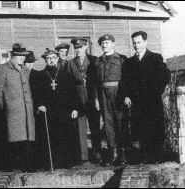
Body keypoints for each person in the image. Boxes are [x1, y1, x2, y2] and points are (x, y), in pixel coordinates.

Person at [122, 31, 171, 164]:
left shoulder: (155, 58)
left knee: (155, 127)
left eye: (139, 42)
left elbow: (165, 76)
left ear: (145, 42)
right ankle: (144, 156)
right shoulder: (129, 62)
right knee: (140, 127)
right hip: (137, 102)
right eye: (134, 43)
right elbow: (125, 81)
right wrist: (126, 95)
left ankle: (156, 157)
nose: (136, 45)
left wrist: (156, 91)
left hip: (152, 100)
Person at [30, 48, 81, 169]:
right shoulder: (40, 75)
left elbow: (74, 93)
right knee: (50, 137)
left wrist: (75, 108)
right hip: (49, 112)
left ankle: (66, 162)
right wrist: (39, 104)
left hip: (64, 111)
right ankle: (51, 163)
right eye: (48, 58)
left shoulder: (66, 74)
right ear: (45, 60)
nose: (51, 60)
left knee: (64, 136)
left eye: (53, 58)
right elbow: (36, 94)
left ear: (57, 58)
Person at [0, 43, 35, 171]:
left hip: (27, 111)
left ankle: (26, 166)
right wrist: (5, 106)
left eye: (24, 56)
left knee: (27, 138)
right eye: (19, 56)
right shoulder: (4, 69)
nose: (22, 59)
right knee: (15, 138)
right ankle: (15, 166)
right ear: (13, 56)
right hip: (13, 112)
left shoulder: (26, 70)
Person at [94, 34, 128, 165]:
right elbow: (96, 82)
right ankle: (112, 153)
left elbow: (126, 80)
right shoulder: (98, 61)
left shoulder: (121, 59)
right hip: (103, 93)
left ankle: (122, 154)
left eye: (107, 42)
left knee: (120, 122)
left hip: (117, 92)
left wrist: (125, 95)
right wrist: (97, 98)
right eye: (102, 43)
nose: (104, 45)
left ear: (113, 44)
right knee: (108, 123)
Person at [66, 37, 101, 164]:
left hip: (92, 98)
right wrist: (73, 105)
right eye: (76, 48)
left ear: (85, 47)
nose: (78, 50)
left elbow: (98, 82)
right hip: (78, 100)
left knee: (95, 128)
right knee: (81, 129)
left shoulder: (94, 60)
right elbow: (69, 86)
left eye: (80, 47)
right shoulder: (70, 64)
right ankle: (83, 157)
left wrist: (97, 99)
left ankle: (97, 153)